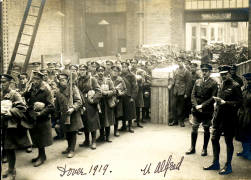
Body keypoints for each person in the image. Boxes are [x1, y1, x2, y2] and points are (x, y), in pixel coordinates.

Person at [203, 65, 243, 175]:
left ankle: (228, 165)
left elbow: (240, 103)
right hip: (218, 117)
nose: (223, 76)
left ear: (230, 73)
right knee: (214, 138)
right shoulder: (221, 85)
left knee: (228, 141)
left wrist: (226, 103)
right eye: (222, 74)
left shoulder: (235, 86)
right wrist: (217, 103)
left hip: (229, 118)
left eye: (225, 74)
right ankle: (215, 163)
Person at [1, 74, 32, 180]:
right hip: (2, 124)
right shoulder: (1, 94)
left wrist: (11, 113)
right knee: (5, 147)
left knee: (10, 148)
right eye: (1, 82)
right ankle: (9, 169)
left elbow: (23, 108)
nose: (2, 84)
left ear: (10, 83)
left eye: (4, 82)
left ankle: (12, 171)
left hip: (11, 125)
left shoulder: (15, 94)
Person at [23, 71, 54, 167]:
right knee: (36, 136)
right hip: (34, 115)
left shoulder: (46, 89)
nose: (35, 81)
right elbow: (27, 97)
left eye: (37, 79)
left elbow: (51, 106)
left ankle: (41, 157)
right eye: (34, 79)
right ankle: (41, 155)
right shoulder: (32, 87)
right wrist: (27, 91)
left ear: (42, 79)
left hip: (42, 116)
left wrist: (41, 113)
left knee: (42, 137)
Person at [186, 64, 218, 156]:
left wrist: (202, 106)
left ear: (210, 72)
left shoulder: (213, 83)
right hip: (196, 109)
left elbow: (213, 97)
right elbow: (193, 95)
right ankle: (192, 147)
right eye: (203, 70)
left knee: (206, 128)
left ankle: (204, 149)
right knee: (194, 127)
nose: (204, 72)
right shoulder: (197, 81)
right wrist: (196, 105)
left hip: (207, 109)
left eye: (206, 71)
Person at [54, 73, 84, 158]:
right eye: (60, 80)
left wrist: (73, 108)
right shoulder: (58, 91)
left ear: (67, 80)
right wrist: (57, 116)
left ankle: (72, 150)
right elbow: (57, 105)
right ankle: (69, 147)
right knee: (66, 132)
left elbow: (79, 102)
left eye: (63, 80)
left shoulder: (73, 89)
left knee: (72, 132)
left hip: (73, 114)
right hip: (64, 115)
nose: (61, 82)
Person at [78, 64, 102, 150]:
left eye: (83, 70)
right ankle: (86, 140)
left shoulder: (92, 80)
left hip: (90, 103)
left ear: (87, 71)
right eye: (80, 70)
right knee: (84, 122)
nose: (82, 71)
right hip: (81, 102)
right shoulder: (78, 80)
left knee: (92, 122)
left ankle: (94, 141)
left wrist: (94, 100)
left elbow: (99, 91)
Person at [168, 57, 192, 127]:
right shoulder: (176, 70)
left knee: (182, 107)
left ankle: (181, 121)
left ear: (183, 62)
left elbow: (189, 83)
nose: (179, 63)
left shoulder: (186, 71)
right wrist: (170, 85)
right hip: (176, 91)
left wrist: (186, 93)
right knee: (173, 106)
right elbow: (174, 80)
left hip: (183, 91)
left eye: (180, 61)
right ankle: (175, 120)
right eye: (178, 62)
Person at [95, 66, 116, 142]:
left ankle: (108, 136)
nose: (100, 72)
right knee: (100, 120)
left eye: (102, 71)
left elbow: (114, 91)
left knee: (107, 120)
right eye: (99, 71)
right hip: (98, 103)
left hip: (107, 102)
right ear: (97, 72)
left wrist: (106, 93)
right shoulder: (94, 81)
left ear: (104, 72)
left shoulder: (108, 80)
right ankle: (101, 136)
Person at [235, 73, 251, 160]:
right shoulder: (242, 89)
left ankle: (249, 152)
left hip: (249, 113)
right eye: (246, 80)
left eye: (250, 80)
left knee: (249, 134)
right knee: (242, 133)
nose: (248, 82)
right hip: (242, 113)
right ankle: (245, 151)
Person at [119, 62, 138, 133]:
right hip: (122, 95)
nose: (123, 68)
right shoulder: (120, 75)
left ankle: (130, 126)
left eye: (125, 67)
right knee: (123, 111)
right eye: (122, 67)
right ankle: (124, 126)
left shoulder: (132, 75)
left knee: (130, 112)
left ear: (127, 68)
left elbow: (135, 87)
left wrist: (133, 97)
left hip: (129, 95)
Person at [111, 66, 127, 137]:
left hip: (117, 100)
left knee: (116, 115)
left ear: (118, 72)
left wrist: (120, 94)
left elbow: (125, 90)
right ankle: (105, 132)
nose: (114, 72)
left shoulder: (120, 79)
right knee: (108, 115)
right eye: (113, 71)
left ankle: (116, 130)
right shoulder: (108, 79)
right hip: (109, 99)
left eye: (116, 71)